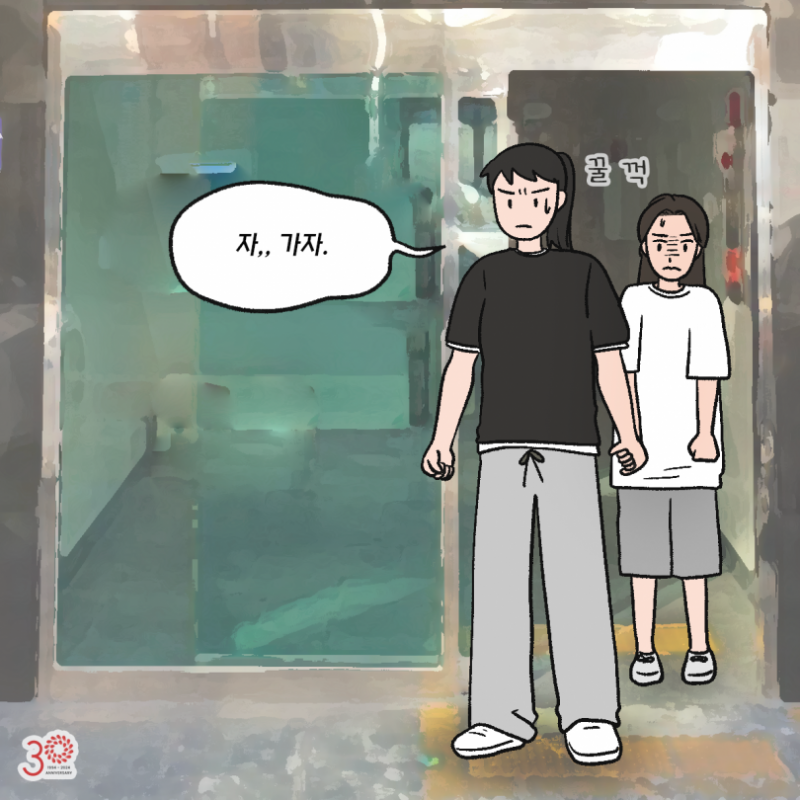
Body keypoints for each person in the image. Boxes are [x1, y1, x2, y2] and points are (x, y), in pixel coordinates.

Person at [421, 142, 646, 765]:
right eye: (509, 196)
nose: (521, 207)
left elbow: (609, 363)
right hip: (501, 445)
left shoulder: (585, 274)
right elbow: (461, 364)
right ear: (494, 202)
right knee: (497, 584)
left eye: (535, 196)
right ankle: (500, 716)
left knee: (578, 582)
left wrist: (628, 434)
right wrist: (442, 436)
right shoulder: (484, 275)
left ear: (558, 201)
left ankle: (591, 715)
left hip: (571, 445)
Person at [611, 194, 731, 688]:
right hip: (639, 458)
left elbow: (708, 373)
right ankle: (645, 650)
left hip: (693, 459)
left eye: (683, 242)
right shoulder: (634, 301)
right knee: (643, 564)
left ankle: (699, 646)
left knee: (695, 563)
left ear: (698, 249)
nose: (672, 251)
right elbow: (624, 374)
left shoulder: (704, 303)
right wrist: (630, 436)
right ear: (644, 246)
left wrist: (703, 434)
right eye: (661, 241)